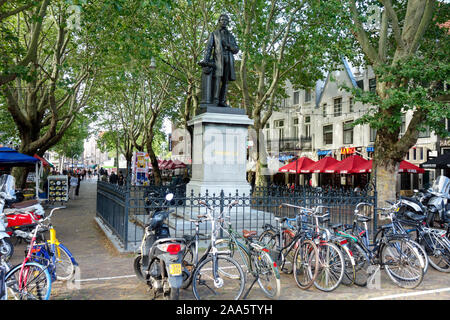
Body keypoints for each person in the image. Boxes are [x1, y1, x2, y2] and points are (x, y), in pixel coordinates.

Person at [199, 14, 239, 107]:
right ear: (219, 21)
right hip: (218, 60)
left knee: (225, 81)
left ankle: (223, 101)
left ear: (228, 22)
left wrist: (229, 46)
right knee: (217, 78)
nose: (224, 21)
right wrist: (206, 60)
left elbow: (236, 49)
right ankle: (215, 100)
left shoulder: (231, 36)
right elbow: (209, 48)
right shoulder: (214, 34)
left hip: (228, 60)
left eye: (226, 20)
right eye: (222, 20)